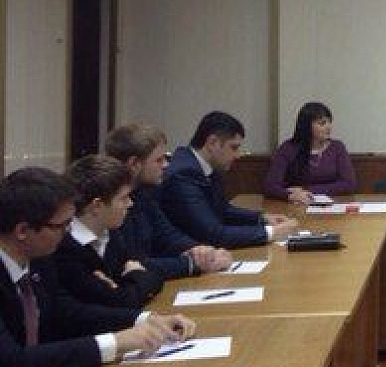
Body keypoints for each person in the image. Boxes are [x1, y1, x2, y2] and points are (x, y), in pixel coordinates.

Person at [0, 167, 196, 367]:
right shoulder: (47, 254)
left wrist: (144, 319)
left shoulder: (38, 258)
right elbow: (11, 359)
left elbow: (65, 312)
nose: (68, 232)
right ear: (22, 231)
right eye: (62, 226)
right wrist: (116, 342)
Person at [106, 123, 232, 279]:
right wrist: (192, 264)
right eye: (159, 160)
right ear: (134, 164)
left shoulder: (145, 192)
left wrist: (200, 251)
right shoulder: (111, 203)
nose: (166, 165)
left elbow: (167, 235)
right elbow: (132, 264)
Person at [161, 111, 298, 249]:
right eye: (234, 147)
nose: (238, 155)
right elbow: (213, 234)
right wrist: (271, 232)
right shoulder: (183, 174)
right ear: (212, 143)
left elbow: (222, 210)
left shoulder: (207, 166)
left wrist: (262, 218)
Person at [53, 156, 163, 308]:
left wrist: (130, 282)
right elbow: (121, 301)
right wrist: (137, 275)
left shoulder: (110, 234)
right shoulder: (65, 249)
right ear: (97, 206)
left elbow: (153, 274)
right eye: (124, 198)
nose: (130, 203)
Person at [264, 102, 356, 203]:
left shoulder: (337, 147)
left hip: (331, 205)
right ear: (307, 126)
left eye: (329, 122)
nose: (329, 127)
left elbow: (349, 184)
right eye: (322, 123)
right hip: (296, 205)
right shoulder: (288, 148)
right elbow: (270, 186)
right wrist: (290, 195)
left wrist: (306, 190)